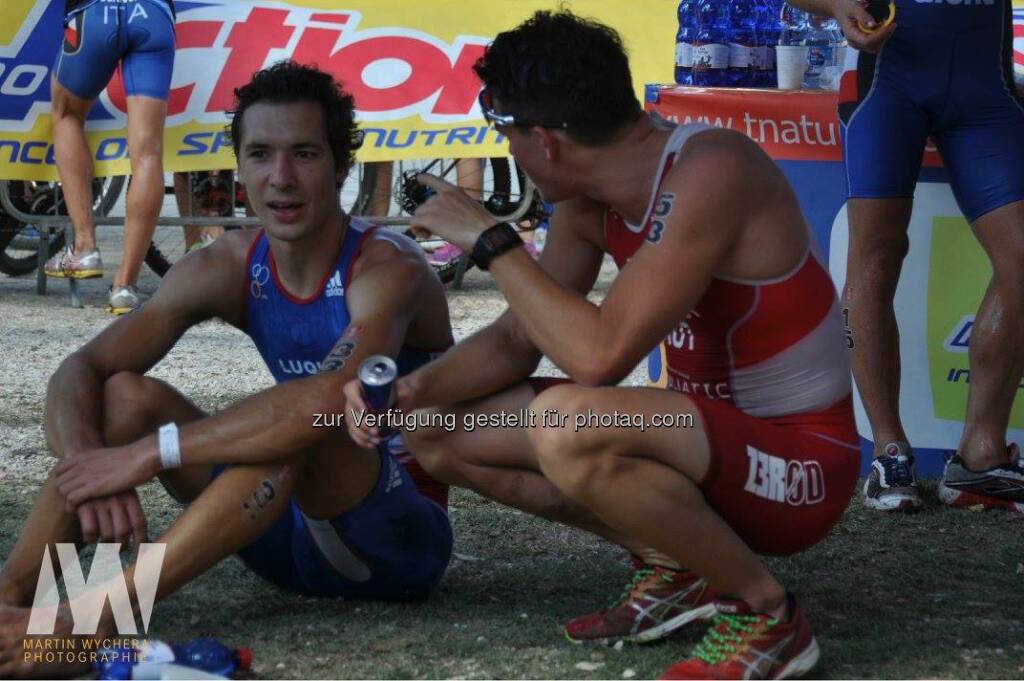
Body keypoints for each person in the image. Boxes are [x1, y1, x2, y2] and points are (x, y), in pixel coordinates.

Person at [344, 11, 858, 679]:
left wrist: (493, 242)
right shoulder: (587, 200)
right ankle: (680, 563)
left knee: (569, 422)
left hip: (802, 468)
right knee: (434, 429)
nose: (503, 148)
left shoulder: (712, 170)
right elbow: (514, 339)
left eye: (503, 131)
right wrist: (405, 394)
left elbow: (598, 356)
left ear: (547, 141)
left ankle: (767, 613)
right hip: (707, 451)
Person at [0, 61, 452, 678]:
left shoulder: (387, 267)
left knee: (301, 427)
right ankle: (11, 603)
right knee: (125, 397)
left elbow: (324, 399)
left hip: (391, 543)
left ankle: (94, 619)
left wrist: (143, 456)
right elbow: (82, 368)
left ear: (342, 168)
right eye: (261, 154)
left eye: (305, 154)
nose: (281, 178)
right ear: (238, 167)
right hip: (272, 530)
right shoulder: (231, 263)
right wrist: (94, 466)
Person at [789, 0, 1024, 512]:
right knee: (877, 255)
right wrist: (834, 5)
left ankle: (980, 457)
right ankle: (889, 450)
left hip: (985, 90)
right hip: (887, 83)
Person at [44, 0, 177, 314]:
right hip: (153, 14)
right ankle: (124, 287)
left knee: (67, 116)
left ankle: (84, 247)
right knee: (147, 153)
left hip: (93, 12)